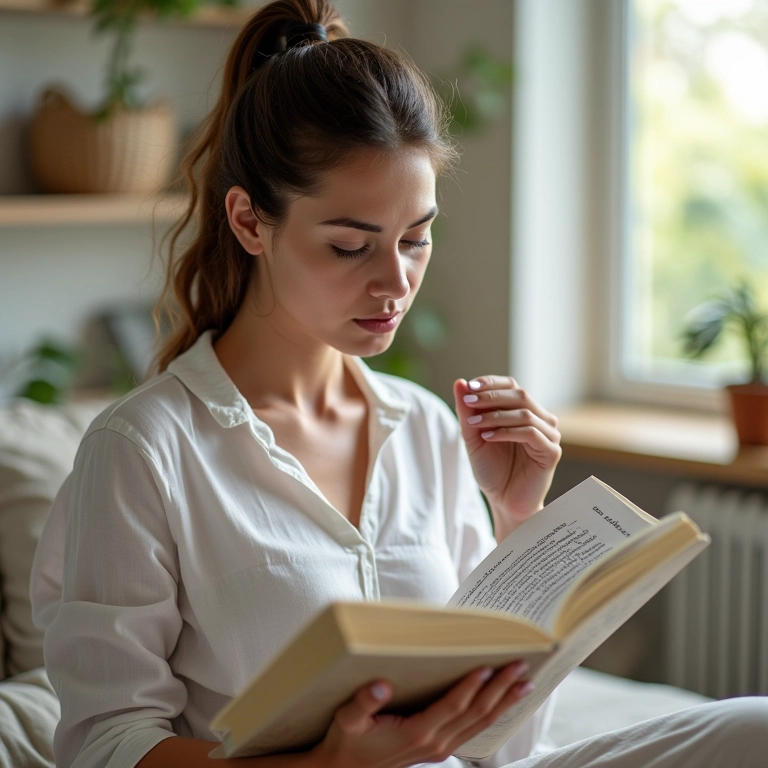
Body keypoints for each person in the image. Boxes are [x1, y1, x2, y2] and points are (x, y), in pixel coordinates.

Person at [29, 1, 768, 767]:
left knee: (755, 728)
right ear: (250, 222)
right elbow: (104, 744)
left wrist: (518, 516)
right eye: (352, 246)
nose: (395, 283)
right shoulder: (143, 451)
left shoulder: (423, 429)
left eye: (416, 239)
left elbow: (503, 746)